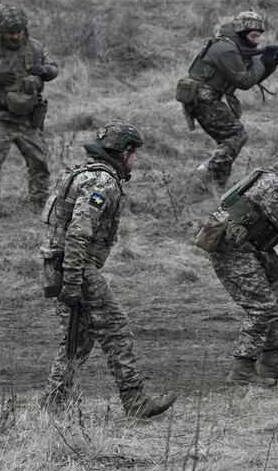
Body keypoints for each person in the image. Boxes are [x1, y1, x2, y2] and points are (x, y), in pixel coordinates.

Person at [38, 122, 177, 418]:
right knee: (115, 328)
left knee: (79, 339)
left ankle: (53, 406)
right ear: (124, 151)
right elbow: (78, 233)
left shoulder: (86, 174)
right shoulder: (102, 182)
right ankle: (134, 400)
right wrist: (74, 282)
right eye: (134, 153)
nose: (136, 160)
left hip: (61, 264)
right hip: (74, 264)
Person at [198, 143, 278, 386]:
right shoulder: (274, 187)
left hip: (248, 249)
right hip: (232, 252)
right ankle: (242, 370)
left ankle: (272, 365)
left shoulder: (276, 179)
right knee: (263, 308)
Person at [0, 6, 58, 219]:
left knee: (39, 163)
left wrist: (45, 71)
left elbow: (54, 67)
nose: (16, 36)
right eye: (11, 33)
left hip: (28, 120)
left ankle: (39, 202)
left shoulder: (35, 47)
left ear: (25, 29)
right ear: (2, 31)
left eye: (19, 32)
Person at [178, 10, 278, 189]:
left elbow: (251, 77)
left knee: (232, 137)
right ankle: (211, 178)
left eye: (259, 36)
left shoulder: (232, 45)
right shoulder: (226, 49)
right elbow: (244, 81)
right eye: (253, 35)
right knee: (235, 135)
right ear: (242, 32)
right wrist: (264, 61)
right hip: (202, 97)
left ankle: (208, 174)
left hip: (204, 96)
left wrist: (273, 62)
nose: (257, 40)